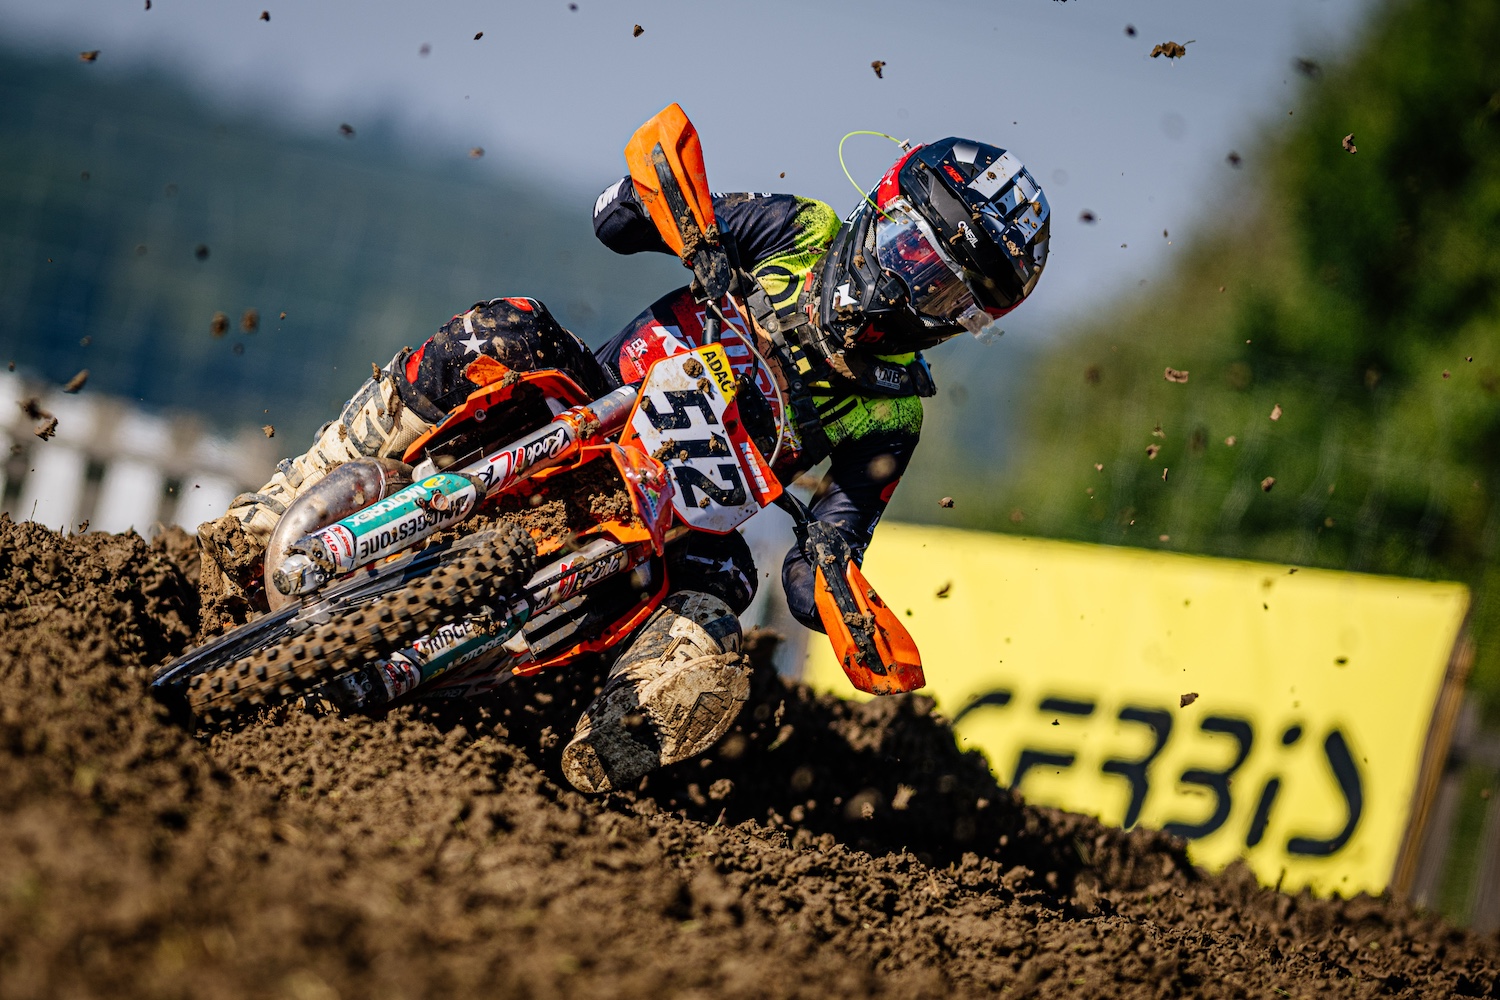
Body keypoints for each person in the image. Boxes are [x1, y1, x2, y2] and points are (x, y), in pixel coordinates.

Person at [198, 136, 1050, 793]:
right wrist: (693, 233)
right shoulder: (798, 230)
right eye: (914, 256)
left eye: (946, 294)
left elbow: (824, 551)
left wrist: (837, 592)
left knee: (715, 627)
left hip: (679, 527)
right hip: (589, 406)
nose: (911, 289)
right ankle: (273, 509)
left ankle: (582, 762)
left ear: (960, 323)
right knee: (504, 330)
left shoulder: (891, 411)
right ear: (883, 208)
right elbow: (616, 217)